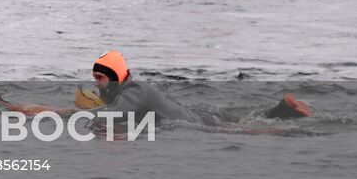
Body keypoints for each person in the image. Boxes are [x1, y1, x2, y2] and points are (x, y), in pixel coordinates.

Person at [20, 51, 313, 125]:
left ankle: (285, 114)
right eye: (95, 77)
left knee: (246, 131)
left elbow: (109, 118)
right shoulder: (130, 90)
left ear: (120, 76)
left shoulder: (134, 93)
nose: (97, 83)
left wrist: (46, 112)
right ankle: (282, 109)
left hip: (194, 123)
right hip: (195, 112)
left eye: (102, 78)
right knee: (241, 120)